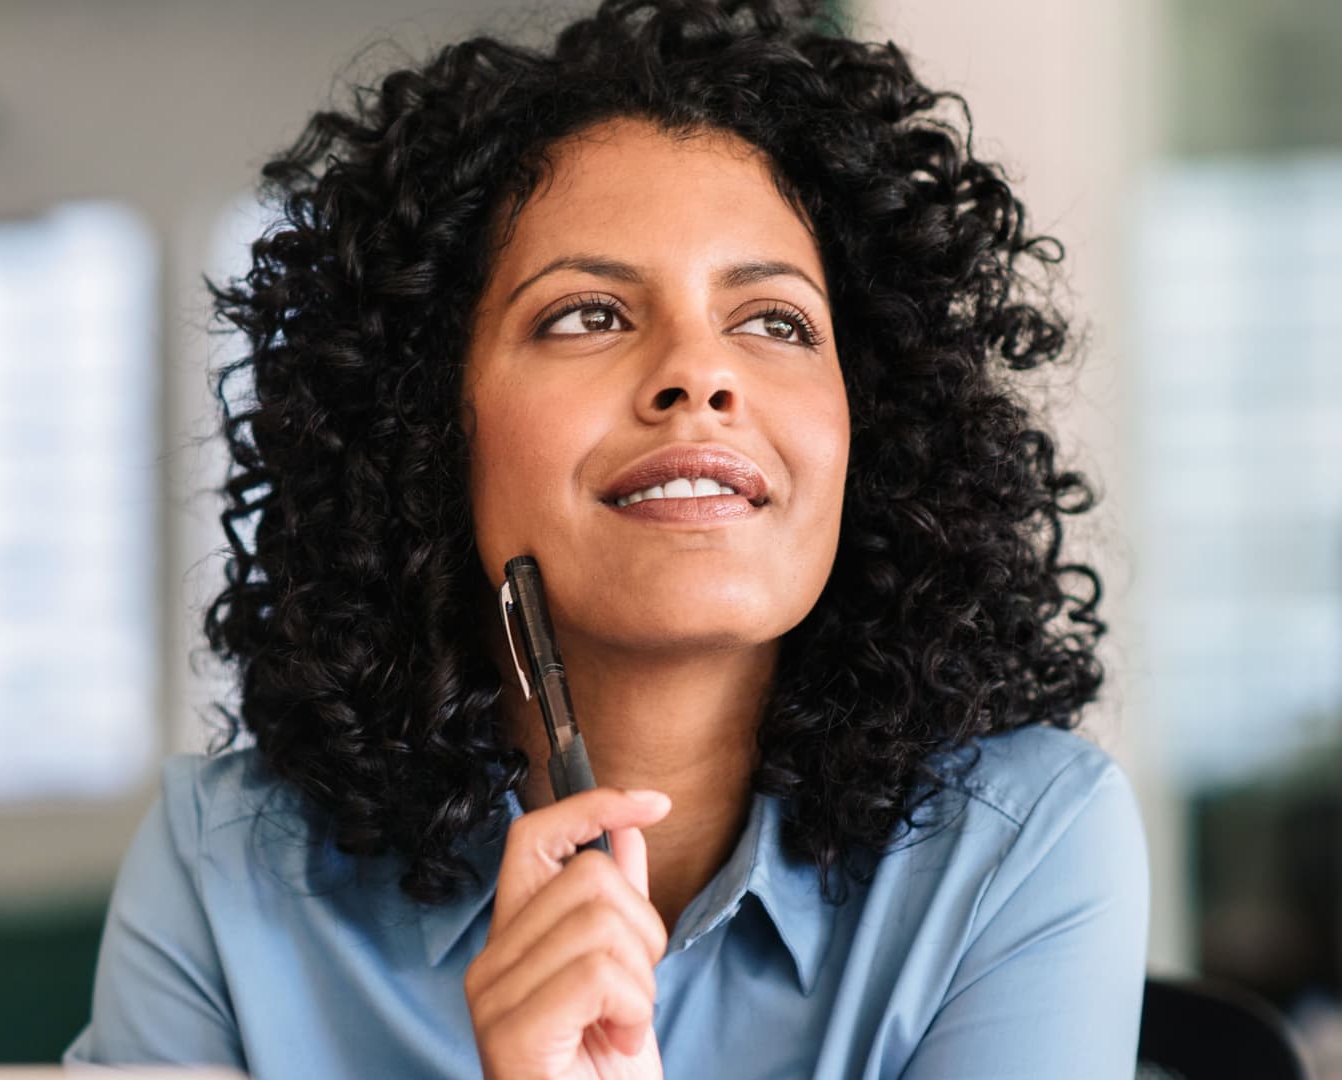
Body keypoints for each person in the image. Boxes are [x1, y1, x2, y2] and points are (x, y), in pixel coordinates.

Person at [63, 0, 1150, 1075]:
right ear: (427, 424)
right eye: (587, 314)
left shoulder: (1028, 845)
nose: (700, 373)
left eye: (775, 322)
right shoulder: (223, 875)